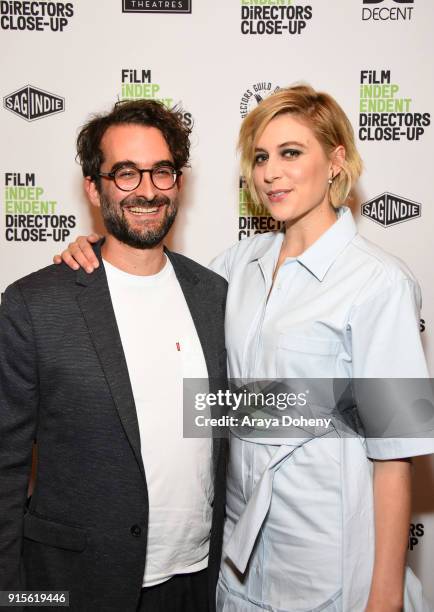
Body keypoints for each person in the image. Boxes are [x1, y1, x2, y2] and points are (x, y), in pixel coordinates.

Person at [55, 85, 434, 611]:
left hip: (328, 568)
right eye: (260, 157)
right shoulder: (237, 266)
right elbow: (211, 393)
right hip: (237, 567)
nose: (270, 172)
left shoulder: (379, 282)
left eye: (291, 153)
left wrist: (385, 599)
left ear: (336, 161)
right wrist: (95, 248)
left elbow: (395, 453)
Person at [0, 99, 228, 612]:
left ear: (179, 182)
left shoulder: (214, 294)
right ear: (93, 186)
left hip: (197, 581)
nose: (147, 190)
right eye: (125, 173)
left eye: (162, 172)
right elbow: (6, 466)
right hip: (76, 585)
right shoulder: (36, 303)